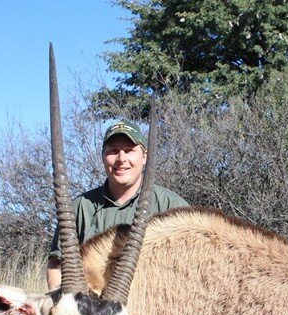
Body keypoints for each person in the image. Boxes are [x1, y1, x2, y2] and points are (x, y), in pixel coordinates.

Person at [46, 119, 188, 290]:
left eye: (129, 151)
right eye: (113, 151)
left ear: (145, 157)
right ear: (103, 157)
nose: (121, 159)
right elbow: (57, 265)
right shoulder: (81, 207)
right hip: (92, 310)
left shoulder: (173, 207)